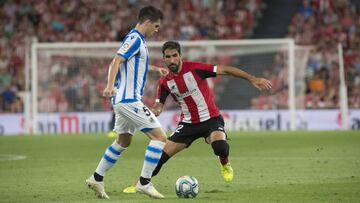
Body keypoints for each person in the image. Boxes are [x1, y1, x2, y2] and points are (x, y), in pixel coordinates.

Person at [123, 40, 272, 193]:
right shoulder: (165, 82)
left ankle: (225, 162)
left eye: (175, 55)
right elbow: (159, 104)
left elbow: (226, 70)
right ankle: (139, 184)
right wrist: (156, 110)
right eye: (168, 57)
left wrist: (253, 79)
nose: (172, 60)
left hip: (211, 119)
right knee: (159, 157)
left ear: (180, 56)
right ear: (164, 58)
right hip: (188, 125)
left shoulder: (195, 69)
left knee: (220, 147)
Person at [85, 6, 168, 199]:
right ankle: (144, 183)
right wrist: (109, 86)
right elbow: (115, 61)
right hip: (128, 100)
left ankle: (96, 178)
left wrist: (154, 69)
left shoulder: (136, 40)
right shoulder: (135, 39)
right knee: (160, 138)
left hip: (122, 101)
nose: (157, 30)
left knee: (123, 141)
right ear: (147, 22)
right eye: (155, 26)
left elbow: (133, 64)